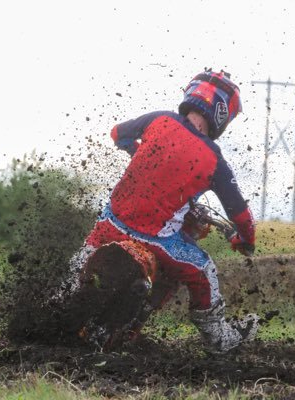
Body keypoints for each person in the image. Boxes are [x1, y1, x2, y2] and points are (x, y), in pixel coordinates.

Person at [72, 69, 259, 353]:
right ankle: (220, 339)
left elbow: (117, 134)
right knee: (204, 270)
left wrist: (142, 153)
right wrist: (246, 240)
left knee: (78, 264)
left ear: (191, 93)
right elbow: (241, 215)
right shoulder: (214, 160)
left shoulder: (160, 119)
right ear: (223, 114)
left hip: (110, 224)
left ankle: (59, 302)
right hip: (156, 241)